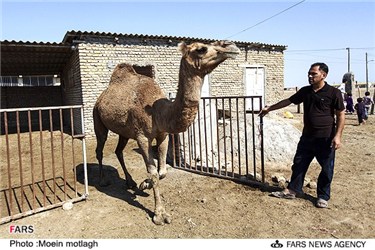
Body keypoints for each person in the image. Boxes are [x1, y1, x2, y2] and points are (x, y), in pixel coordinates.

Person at [259, 62, 345, 209]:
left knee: (326, 169)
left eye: (314, 74)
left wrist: (337, 136)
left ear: (323, 75)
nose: (310, 76)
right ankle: (293, 190)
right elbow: (288, 101)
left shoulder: (333, 93)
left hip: (326, 139)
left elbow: (341, 115)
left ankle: (323, 197)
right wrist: (270, 108)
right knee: (299, 165)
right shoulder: (306, 91)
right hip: (307, 137)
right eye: (309, 73)